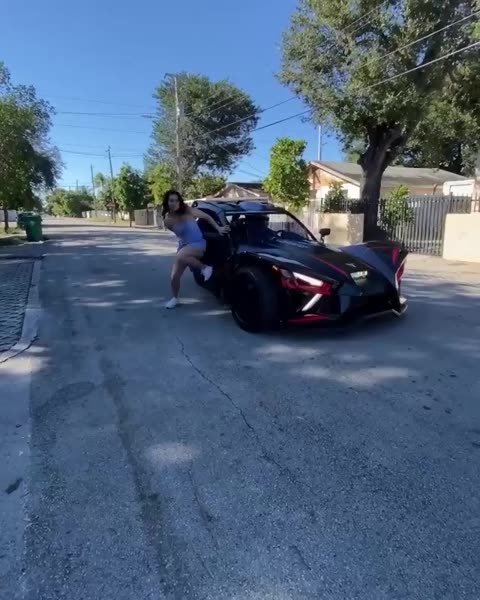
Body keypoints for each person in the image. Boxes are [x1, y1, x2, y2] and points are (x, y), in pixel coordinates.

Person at [162, 190, 229, 309]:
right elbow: (181, 234)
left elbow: (207, 217)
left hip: (199, 243)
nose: (174, 203)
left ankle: (205, 268)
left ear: (180, 202)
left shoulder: (188, 210)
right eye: (171, 201)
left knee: (181, 256)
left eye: (177, 200)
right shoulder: (167, 221)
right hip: (185, 246)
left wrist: (218, 228)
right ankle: (175, 298)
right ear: (167, 202)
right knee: (174, 275)